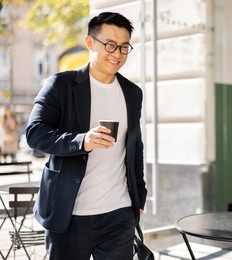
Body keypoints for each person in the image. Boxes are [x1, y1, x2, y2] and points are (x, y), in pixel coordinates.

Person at [26, 12, 147, 260]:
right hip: (69, 214)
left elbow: (135, 147)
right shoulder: (60, 85)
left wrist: (140, 197)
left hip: (119, 213)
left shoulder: (132, 93)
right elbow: (35, 134)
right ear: (90, 43)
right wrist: (82, 141)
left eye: (124, 47)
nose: (117, 53)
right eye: (110, 45)